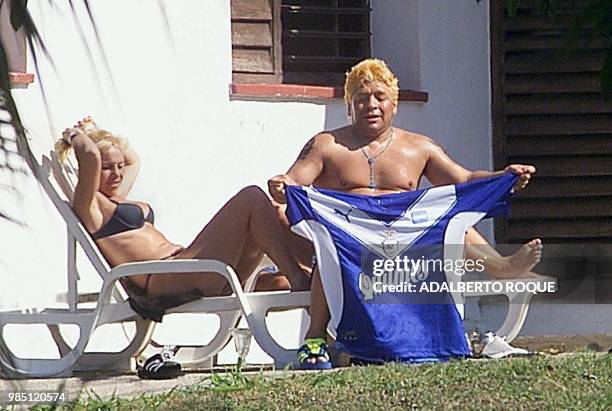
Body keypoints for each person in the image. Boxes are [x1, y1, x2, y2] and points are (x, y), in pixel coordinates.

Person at [268, 58, 543, 368]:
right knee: (331, 242)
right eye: (360, 98)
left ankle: (500, 266)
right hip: (350, 242)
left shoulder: (418, 147)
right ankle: (314, 338)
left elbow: (463, 180)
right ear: (349, 105)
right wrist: (283, 184)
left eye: (379, 97)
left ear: (394, 105)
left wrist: (501, 178)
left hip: (407, 245)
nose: (370, 104)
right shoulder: (328, 144)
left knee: (446, 219)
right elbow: (295, 179)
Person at [56, 117, 310, 378]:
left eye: (119, 166)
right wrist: (74, 135)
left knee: (271, 232)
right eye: (108, 168)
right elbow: (89, 155)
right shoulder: (91, 206)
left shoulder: (115, 196)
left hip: (186, 266)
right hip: (167, 277)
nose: (118, 174)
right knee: (252, 197)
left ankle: (313, 284)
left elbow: (133, 159)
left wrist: (97, 132)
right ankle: (300, 278)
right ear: (91, 171)